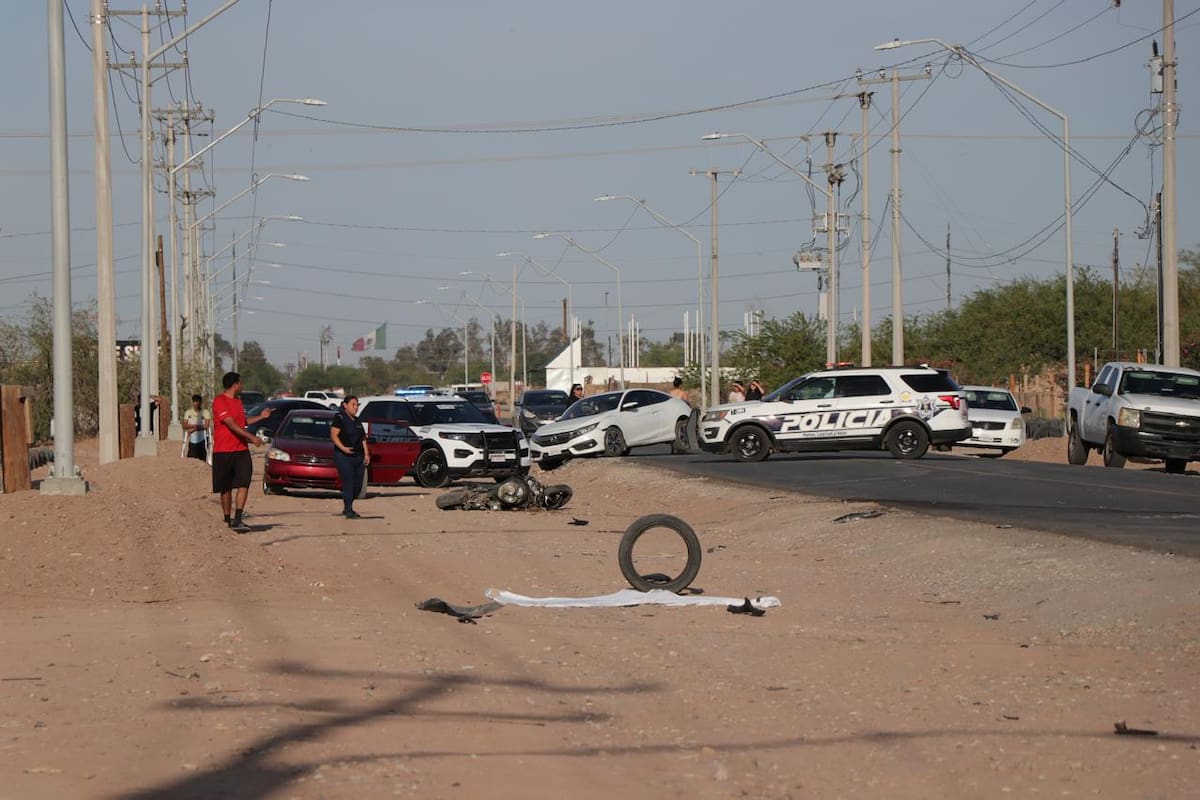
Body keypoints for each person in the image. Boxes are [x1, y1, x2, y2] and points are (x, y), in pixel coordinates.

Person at [212, 371, 272, 533]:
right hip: (223, 451)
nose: (242, 385)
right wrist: (252, 438)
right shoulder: (219, 401)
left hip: (241, 450)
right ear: (235, 384)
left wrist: (261, 417)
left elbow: (242, 422)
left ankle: (238, 519)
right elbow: (231, 424)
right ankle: (227, 519)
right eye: (241, 382)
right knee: (225, 487)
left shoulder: (238, 402)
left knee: (244, 482)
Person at [330, 395, 370, 519]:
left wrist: (366, 454)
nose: (355, 407)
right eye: (353, 404)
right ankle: (348, 509)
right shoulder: (339, 418)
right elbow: (334, 436)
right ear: (345, 405)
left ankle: (349, 505)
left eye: (357, 404)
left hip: (358, 456)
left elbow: (363, 438)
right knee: (348, 482)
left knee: (358, 485)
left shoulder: (357, 421)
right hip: (343, 456)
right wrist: (343, 448)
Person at [182, 394, 212, 461]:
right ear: (193, 402)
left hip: (203, 439)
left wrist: (195, 429)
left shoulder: (205, 412)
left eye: (198, 401)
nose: (197, 403)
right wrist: (195, 426)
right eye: (195, 401)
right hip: (192, 439)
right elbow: (185, 424)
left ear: (201, 402)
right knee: (191, 459)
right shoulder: (188, 412)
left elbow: (206, 425)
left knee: (202, 458)